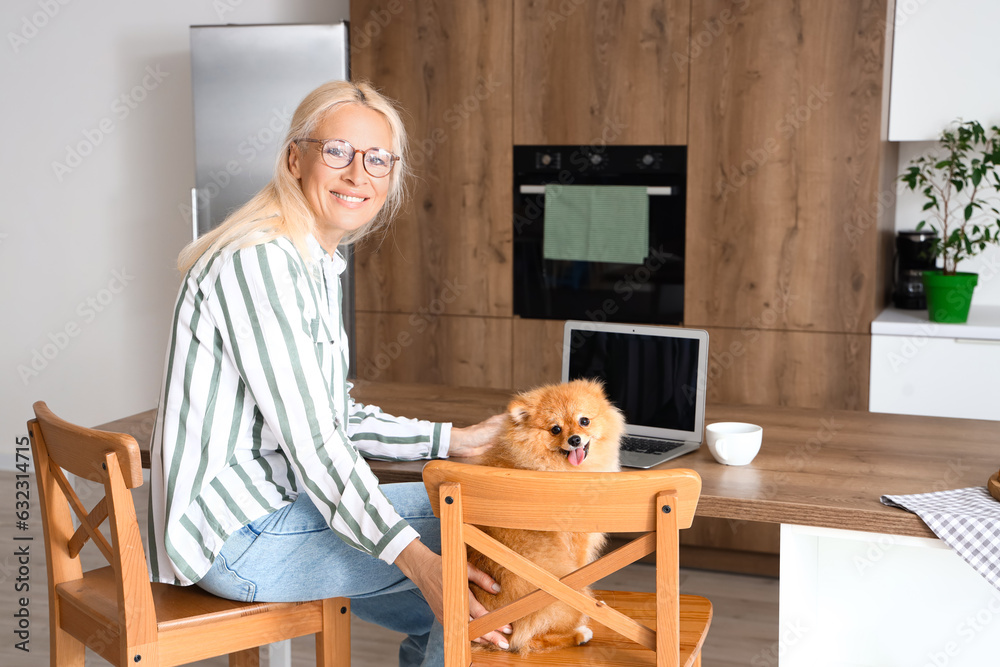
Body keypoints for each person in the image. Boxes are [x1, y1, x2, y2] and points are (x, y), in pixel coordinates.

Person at [147, 80, 510, 666]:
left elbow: (332, 416)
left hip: (270, 517)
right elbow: (318, 446)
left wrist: (454, 441)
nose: (356, 174)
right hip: (237, 541)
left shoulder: (309, 263)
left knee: (468, 598)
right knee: (481, 521)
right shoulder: (260, 262)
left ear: (391, 177)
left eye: (377, 160)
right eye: (337, 151)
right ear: (296, 158)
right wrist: (423, 565)